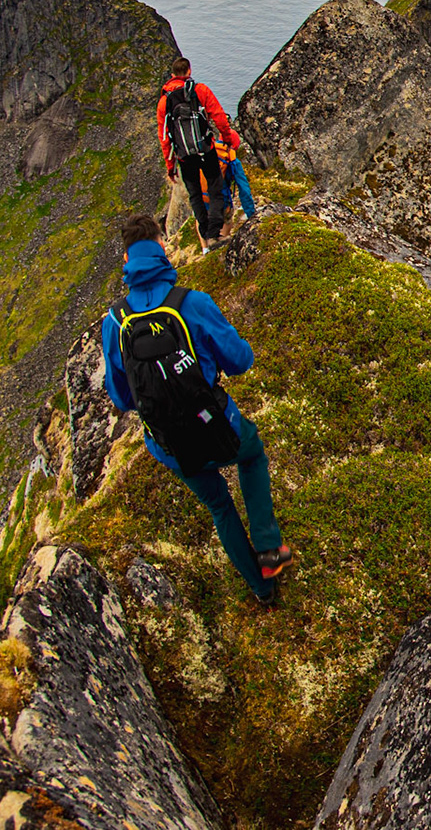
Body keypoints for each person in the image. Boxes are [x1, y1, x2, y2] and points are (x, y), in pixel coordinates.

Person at [102, 213, 294, 604]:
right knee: (252, 454)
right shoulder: (192, 303)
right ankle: (269, 550)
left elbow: (122, 399)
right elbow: (241, 360)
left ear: (126, 260)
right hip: (218, 425)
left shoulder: (114, 323)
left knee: (220, 506)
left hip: (170, 445)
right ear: (161, 248)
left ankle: (262, 591)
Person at [157, 59, 240, 251]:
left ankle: (205, 236)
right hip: (206, 149)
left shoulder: (164, 102)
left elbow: (164, 138)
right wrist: (227, 139)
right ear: (189, 70)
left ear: (172, 75)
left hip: (184, 156)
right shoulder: (200, 91)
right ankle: (214, 234)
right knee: (215, 188)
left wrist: (170, 167)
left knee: (195, 194)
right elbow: (219, 117)